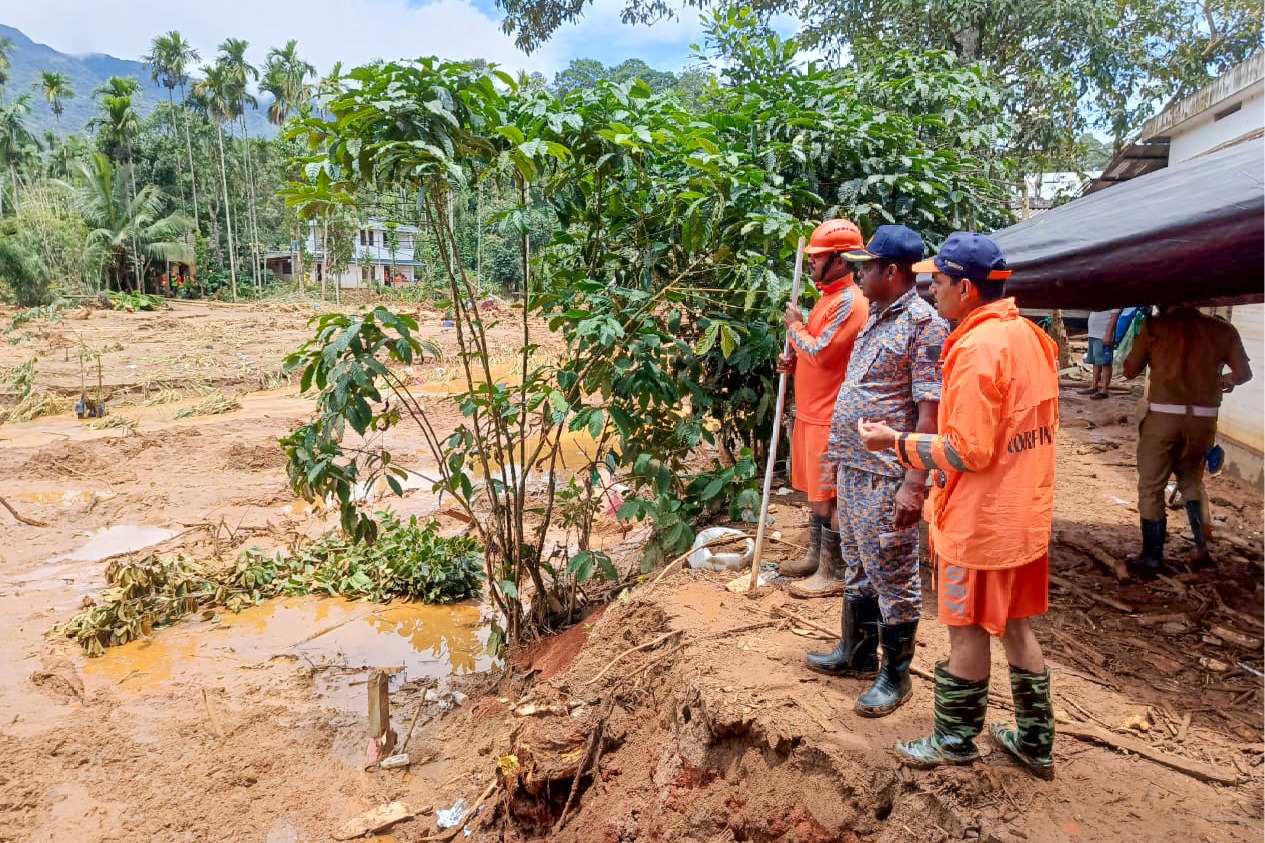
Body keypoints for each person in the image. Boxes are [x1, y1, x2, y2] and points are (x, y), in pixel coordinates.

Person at [857, 232, 1060, 778]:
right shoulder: (1032, 338)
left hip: (980, 519)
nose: (932, 289)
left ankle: (954, 738)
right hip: (1024, 513)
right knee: (1016, 625)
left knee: (965, 627)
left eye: (939, 281)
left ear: (966, 288)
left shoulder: (974, 350)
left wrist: (893, 442)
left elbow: (965, 452)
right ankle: (1036, 742)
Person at [804, 224, 947, 718]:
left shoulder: (924, 324)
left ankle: (895, 675)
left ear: (891, 271)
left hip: (890, 472)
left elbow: (929, 412)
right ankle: (857, 653)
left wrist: (915, 482)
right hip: (855, 465)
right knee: (861, 563)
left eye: (866, 266)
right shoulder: (879, 316)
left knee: (893, 569)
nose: (858, 272)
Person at [776, 219, 870, 596]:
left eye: (818, 257)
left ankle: (834, 571)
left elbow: (821, 350)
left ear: (842, 261)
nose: (812, 263)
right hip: (812, 413)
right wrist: (793, 359)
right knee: (816, 491)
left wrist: (795, 330)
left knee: (831, 494)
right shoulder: (828, 298)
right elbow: (812, 351)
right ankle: (817, 557)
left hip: (831, 416)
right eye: (812, 257)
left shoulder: (849, 303)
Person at [1122, 306, 1252, 576]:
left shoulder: (1155, 327)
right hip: (1202, 420)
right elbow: (1243, 374)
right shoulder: (1222, 329)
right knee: (1192, 481)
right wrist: (1222, 379)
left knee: (1151, 487)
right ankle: (1201, 548)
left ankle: (1152, 557)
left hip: (1163, 418)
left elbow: (1130, 370)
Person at [1079, 309, 1121, 399]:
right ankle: (1094, 386)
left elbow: (1115, 316)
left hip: (1103, 335)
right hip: (1094, 334)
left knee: (1105, 363)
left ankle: (1104, 390)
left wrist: (1109, 334)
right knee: (1095, 361)